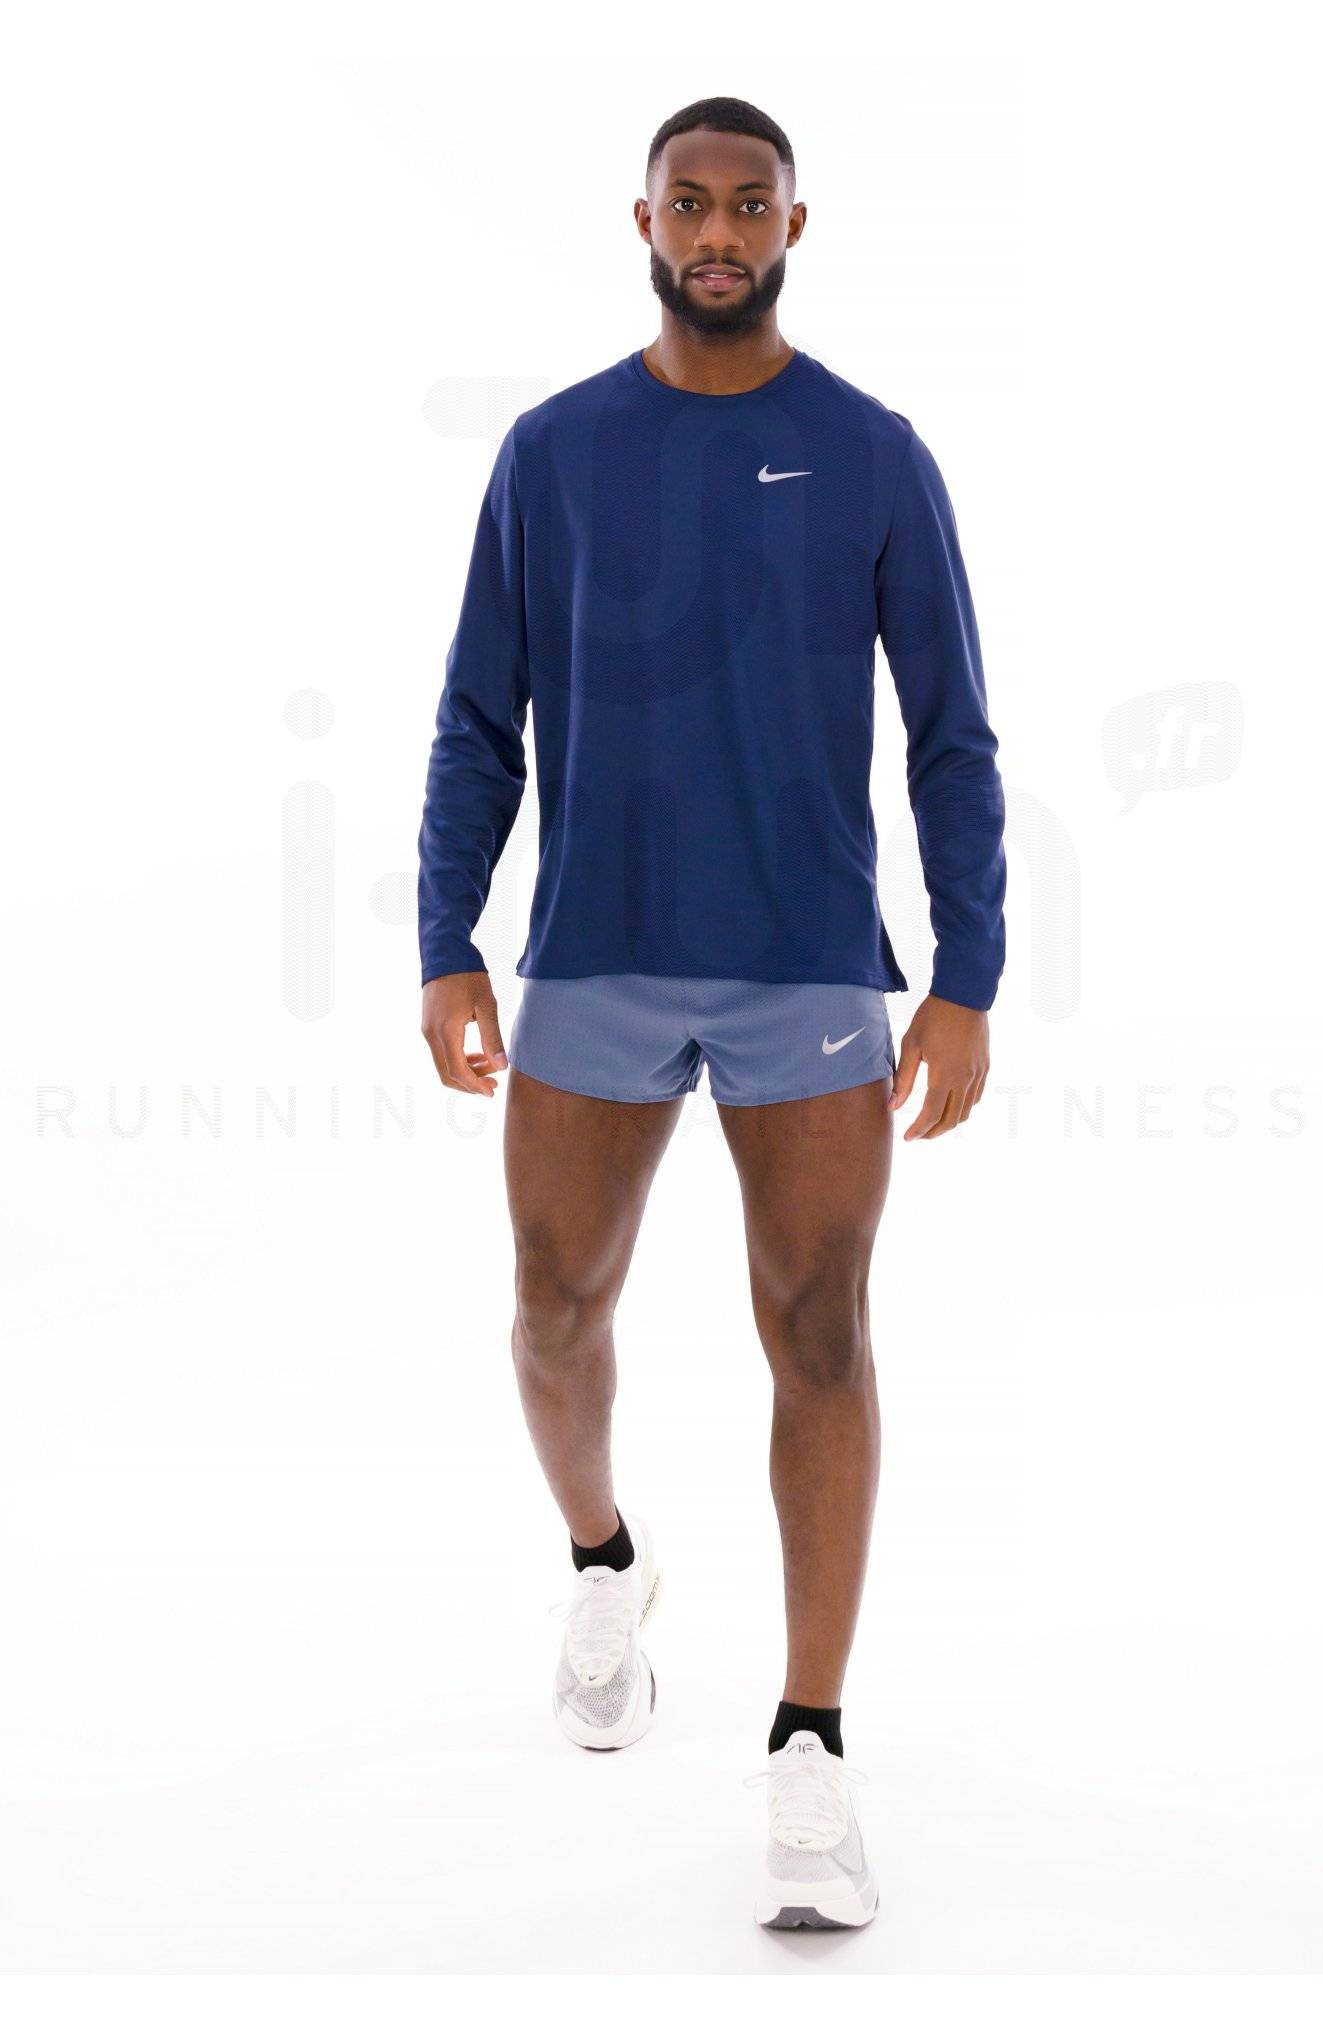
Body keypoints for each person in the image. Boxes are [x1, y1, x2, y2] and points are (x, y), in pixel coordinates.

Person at [418, 94, 1006, 1932]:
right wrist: (446, 938)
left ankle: (810, 1743)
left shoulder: (875, 453)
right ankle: (606, 1557)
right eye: (694, 202)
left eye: (753, 204)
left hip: (808, 962)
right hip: (595, 946)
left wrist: (969, 973)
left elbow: (954, 736)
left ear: (794, 228)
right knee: (552, 1305)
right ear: (647, 222)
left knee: (820, 1328)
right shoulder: (552, 451)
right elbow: (477, 717)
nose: (722, 231)